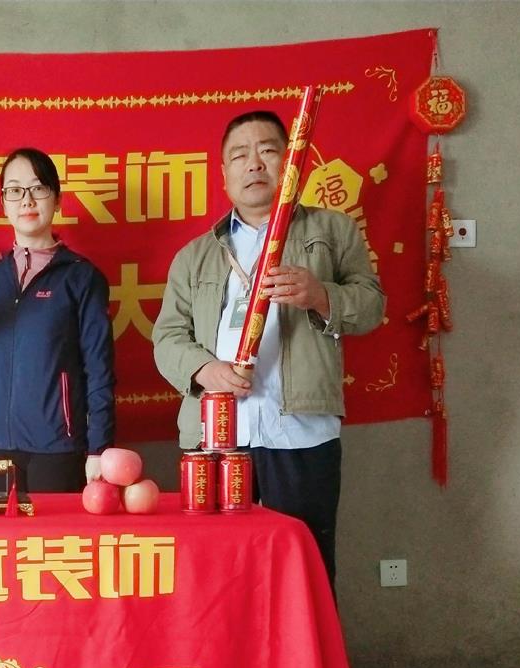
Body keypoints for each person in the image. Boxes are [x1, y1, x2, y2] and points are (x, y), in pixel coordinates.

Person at [152, 110, 385, 588]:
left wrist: (321, 295)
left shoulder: (331, 232)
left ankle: (303, 643)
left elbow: (372, 306)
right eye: (239, 155)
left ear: (292, 161)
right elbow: (167, 337)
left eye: (267, 151)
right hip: (215, 438)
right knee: (218, 576)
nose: (254, 163)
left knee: (302, 572)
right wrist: (204, 369)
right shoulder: (195, 255)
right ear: (223, 174)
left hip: (300, 435)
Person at [0, 148, 115, 493]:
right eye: (14, 190)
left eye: (38, 188)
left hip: (56, 445)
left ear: (57, 199)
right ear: (3, 204)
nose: (26, 200)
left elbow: (99, 370)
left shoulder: (81, 277)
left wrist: (99, 448)